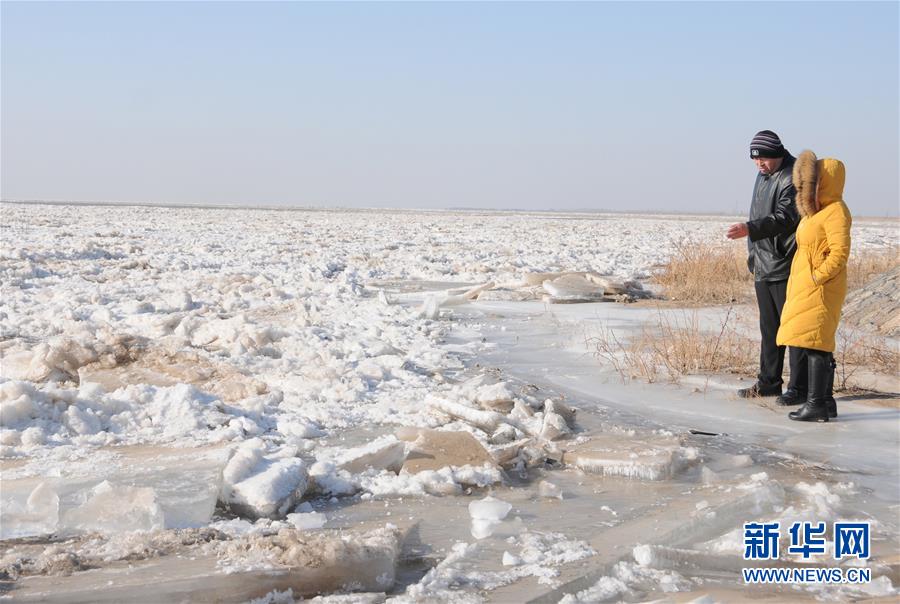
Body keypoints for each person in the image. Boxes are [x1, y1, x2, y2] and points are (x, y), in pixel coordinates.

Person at [727, 130, 803, 399]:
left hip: (784, 264)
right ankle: (769, 383)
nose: (759, 163)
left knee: (792, 329)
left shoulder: (793, 176)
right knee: (769, 329)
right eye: (755, 159)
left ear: (778, 153)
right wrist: (753, 252)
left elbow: (785, 217)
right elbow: (758, 213)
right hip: (762, 263)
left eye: (764, 158)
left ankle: (799, 388)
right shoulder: (763, 175)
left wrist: (749, 229)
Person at [776, 151, 852, 422]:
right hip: (807, 285)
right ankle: (826, 403)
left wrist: (817, 277)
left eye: (814, 181)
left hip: (820, 287)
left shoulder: (836, 211)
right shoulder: (815, 213)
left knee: (816, 344)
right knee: (815, 343)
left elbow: (840, 253)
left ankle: (816, 404)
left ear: (826, 181)